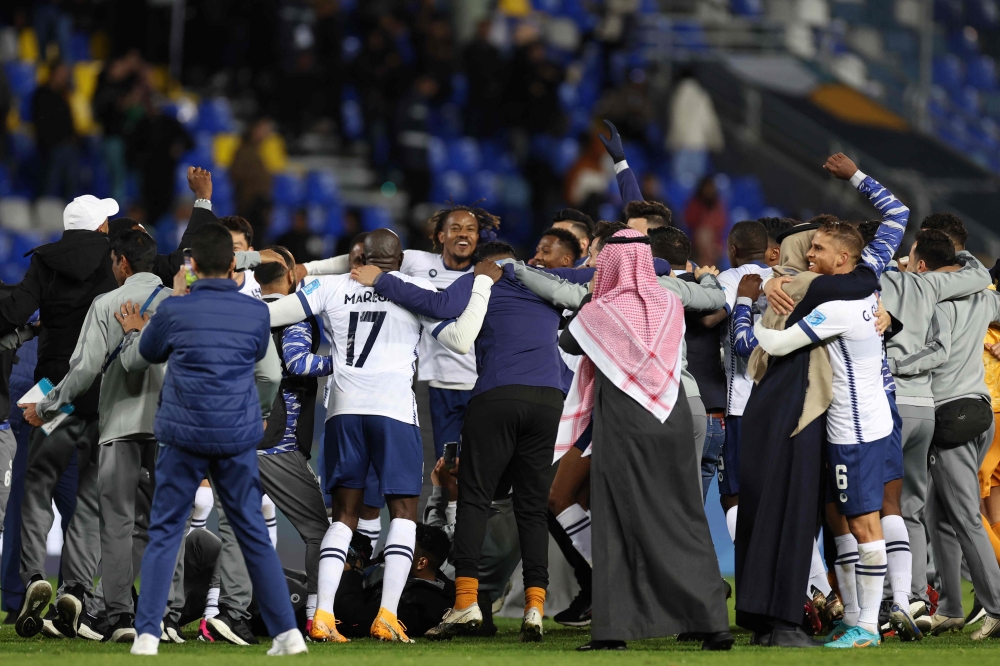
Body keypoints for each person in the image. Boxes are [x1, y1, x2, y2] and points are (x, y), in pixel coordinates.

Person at [266, 229, 485, 644]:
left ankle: (324, 617)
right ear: (398, 259)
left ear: (359, 256)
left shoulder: (329, 286)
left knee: (343, 515)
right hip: (395, 412)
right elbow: (458, 339)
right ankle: (386, 614)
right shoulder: (416, 288)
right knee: (403, 512)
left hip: (344, 410)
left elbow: (273, 315)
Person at [355, 240, 561, 642]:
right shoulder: (546, 281)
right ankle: (535, 607)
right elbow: (611, 271)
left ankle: (466, 602)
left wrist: (379, 278)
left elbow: (435, 303)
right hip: (548, 398)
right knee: (533, 507)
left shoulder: (480, 278)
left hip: (499, 393)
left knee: (473, 499)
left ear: (488, 262)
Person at [115, 223, 304, 656]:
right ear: (234, 264)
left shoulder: (175, 311)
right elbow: (265, 369)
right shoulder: (256, 313)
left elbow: (144, 356)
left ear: (192, 265)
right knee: (252, 530)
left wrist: (163, 310)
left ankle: (147, 635)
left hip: (183, 435)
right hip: (236, 434)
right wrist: (256, 415)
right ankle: (287, 635)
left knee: (165, 531)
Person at [556, 228, 732, 651]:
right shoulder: (670, 301)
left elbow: (567, 340)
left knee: (616, 520)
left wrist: (592, 294)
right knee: (683, 518)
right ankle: (714, 625)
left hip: (625, 424)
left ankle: (613, 631)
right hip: (670, 417)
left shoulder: (602, 311)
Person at [19, 229, 172, 643]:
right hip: (171, 429)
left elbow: (84, 372)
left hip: (119, 426)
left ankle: (116, 615)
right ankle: (155, 614)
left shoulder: (107, 304)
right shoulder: (179, 305)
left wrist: (48, 405)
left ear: (121, 262)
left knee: (114, 522)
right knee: (158, 523)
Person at [2, 195, 121, 639]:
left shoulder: (44, 262)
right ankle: (74, 587)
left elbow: (14, 311)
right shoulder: (115, 263)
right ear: (99, 227)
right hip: (102, 394)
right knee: (89, 495)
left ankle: (34, 577)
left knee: (36, 486)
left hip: (53, 394)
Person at [887, 215, 1000, 639]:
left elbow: (936, 351)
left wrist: (893, 364)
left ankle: (997, 607)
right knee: (939, 518)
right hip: (979, 406)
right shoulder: (983, 295)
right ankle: (950, 605)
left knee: (964, 516)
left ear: (922, 262)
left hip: (949, 412)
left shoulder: (935, 299)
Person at [252, 248, 334, 637]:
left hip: (235, 440)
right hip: (278, 446)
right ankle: (317, 616)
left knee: (238, 531)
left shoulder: (244, 315)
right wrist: (343, 361)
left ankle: (222, 611)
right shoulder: (295, 317)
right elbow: (299, 363)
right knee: (320, 531)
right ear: (290, 277)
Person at [32, 60, 78, 200]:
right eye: (61, 73)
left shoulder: (63, 94)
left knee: (71, 184)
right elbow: (42, 122)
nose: (64, 76)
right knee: (49, 184)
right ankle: (44, 214)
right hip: (51, 146)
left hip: (67, 144)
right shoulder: (42, 94)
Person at [683, 176, 727, 268]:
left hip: (715, 243)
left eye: (711, 188)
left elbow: (721, 224)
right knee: (703, 232)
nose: (709, 190)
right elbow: (689, 221)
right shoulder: (694, 204)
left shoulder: (718, 205)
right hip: (695, 242)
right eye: (707, 188)